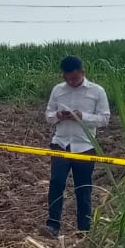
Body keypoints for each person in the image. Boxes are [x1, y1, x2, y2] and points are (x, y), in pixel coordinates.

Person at [44, 54, 110, 237]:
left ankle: (84, 228)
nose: (72, 81)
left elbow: (105, 119)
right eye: (68, 78)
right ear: (63, 76)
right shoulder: (58, 90)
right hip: (61, 143)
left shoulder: (97, 91)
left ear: (82, 72)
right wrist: (58, 115)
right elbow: (48, 115)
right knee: (56, 183)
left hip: (85, 146)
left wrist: (83, 117)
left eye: (75, 77)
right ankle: (53, 225)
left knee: (83, 187)